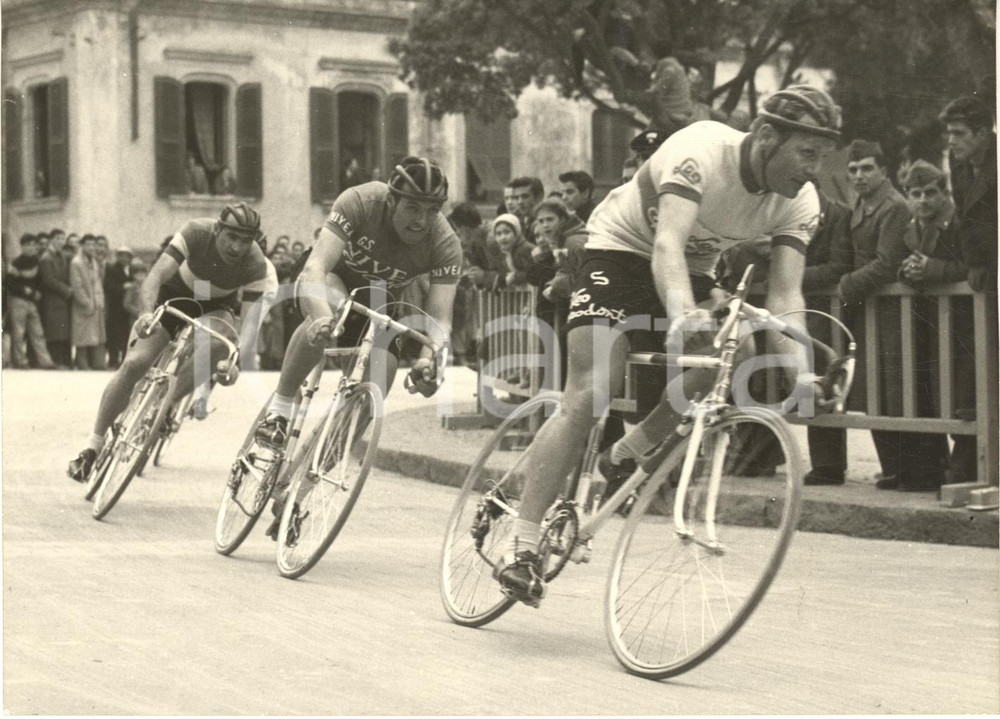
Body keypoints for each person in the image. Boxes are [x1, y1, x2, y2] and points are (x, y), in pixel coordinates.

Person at [492, 84, 840, 608]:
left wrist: (805, 375)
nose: (814, 168)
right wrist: (681, 316)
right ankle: (522, 541)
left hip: (691, 268)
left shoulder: (800, 201)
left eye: (822, 156)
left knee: (732, 355)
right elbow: (665, 244)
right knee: (591, 392)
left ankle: (627, 453)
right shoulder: (700, 151)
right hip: (618, 251)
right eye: (807, 153)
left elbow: (787, 294)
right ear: (767, 136)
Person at [251, 156, 461, 484]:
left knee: (381, 380)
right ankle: (279, 409)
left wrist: (429, 361)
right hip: (331, 278)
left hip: (378, 298)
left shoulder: (445, 243)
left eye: (432, 210)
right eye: (413, 208)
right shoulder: (362, 200)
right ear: (391, 200)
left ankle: (301, 486)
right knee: (329, 310)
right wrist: (321, 318)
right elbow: (317, 268)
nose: (422, 220)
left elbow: (440, 320)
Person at [67, 203, 278, 483]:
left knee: (221, 342)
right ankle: (92, 446)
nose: (237, 248)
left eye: (245, 240)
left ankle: (167, 402)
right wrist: (144, 315)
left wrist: (235, 360)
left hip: (215, 304)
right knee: (134, 364)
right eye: (231, 237)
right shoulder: (195, 232)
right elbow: (155, 277)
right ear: (217, 230)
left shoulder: (256, 264)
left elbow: (248, 326)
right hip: (175, 293)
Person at [838, 139, 944, 491]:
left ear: (883, 171)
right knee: (875, 390)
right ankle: (897, 469)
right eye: (853, 169)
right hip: (872, 311)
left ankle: (922, 472)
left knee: (902, 389)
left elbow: (886, 263)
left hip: (896, 312)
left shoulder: (894, 206)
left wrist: (847, 284)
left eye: (867, 168)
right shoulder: (861, 205)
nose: (859, 176)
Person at [938, 96, 997, 484]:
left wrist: (986, 264)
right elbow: (964, 224)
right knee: (977, 372)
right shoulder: (961, 168)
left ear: (983, 133)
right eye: (949, 134)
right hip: (979, 281)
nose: (952, 142)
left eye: (959, 134)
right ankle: (974, 464)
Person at [6, 233, 58, 369]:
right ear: (22, 247)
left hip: (32, 302)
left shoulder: (37, 262)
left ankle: (46, 362)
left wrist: (37, 292)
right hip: (18, 301)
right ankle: (20, 361)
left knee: (38, 332)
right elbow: (9, 283)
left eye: (33, 245)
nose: (31, 248)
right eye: (27, 245)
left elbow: (40, 280)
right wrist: (25, 290)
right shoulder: (16, 263)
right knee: (19, 333)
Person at [69, 235, 108, 371]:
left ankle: (97, 363)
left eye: (93, 245)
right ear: (82, 246)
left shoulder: (94, 261)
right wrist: (86, 302)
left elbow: (98, 283)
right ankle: (82, 364)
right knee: (82, 336)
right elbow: (77, 286)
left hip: (97, 303)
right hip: (84, 305)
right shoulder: (76, 263)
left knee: (96, 336)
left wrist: (99, 301)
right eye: (88, 245)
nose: (91, 248)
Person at [38, 227, 74, 367]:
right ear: (51, 240)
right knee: (55, 331)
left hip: (61, 299)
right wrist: (67, 290)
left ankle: (63, 361)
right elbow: (48, 280)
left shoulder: (61, 255)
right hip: (52, 299)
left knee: (62, 330)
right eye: (58, 239)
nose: (61, 242)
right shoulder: (47, 258)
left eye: (62, 239)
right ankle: (56, 361)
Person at [104, 246, 135, 368]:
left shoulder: (131, 270)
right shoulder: (112, 269)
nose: (124, 258)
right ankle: (113, 360)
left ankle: (122, 361)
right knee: (114, 335)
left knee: (125, 336)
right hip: (115, 307)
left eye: (127, 256)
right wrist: (123, 287)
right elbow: (108, 287)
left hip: (126, 310)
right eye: (121, 255)